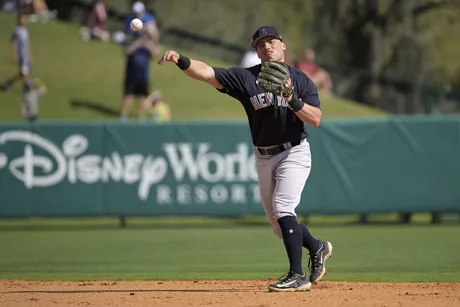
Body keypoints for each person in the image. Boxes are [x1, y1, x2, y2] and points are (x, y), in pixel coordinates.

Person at [157, 26, 333, 292]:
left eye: (272, 41)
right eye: (260, 44)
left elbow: (316, 119)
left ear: (283, 46)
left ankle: (297, 275)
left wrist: (291, 98)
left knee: (284, 208)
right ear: (256, 51)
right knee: (279, 225)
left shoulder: (301, 80)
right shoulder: (246, 78)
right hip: (263, 156)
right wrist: (181, 59)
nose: (267, 46)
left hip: (294, 150)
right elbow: (207, 73)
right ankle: (317, 246)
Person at [121, 29, 158, 120]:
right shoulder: (132, 44)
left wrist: (148, 45)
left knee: (142, 96)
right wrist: (137, 43)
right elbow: (126, 52)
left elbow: (155, 54)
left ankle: (141, 116)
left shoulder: (147, 46)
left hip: (143, 76)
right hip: (131, 75)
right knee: (128, 96)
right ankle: (123, 116)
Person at [1, 13, 32, 92]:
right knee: (23, 72)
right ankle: (27, 87)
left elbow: (27, 44)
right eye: (22, 19)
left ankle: (9, 82)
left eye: (25, 19)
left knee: (23, 72)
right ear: (18, 19)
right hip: (21, 54)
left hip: (26, 54)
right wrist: (14, 55)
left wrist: (30, 54)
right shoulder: (16, 30)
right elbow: (13, 43)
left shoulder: (25, 31)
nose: (23, 20)